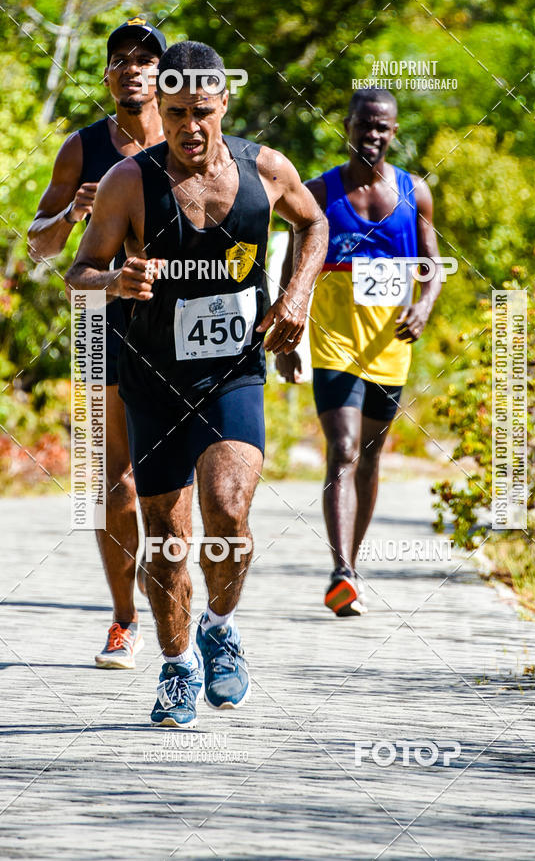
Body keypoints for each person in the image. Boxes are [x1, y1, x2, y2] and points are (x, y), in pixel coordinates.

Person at [66, 41, 327, 726]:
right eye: (176, 112)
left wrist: (297, 296)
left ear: (224, 104)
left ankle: (220, 625)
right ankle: (178, 664)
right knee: (167, 536)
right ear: (161, 107)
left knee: (229, 510)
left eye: (201, 112)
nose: (189, 126)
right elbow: (78, 273)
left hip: (232, 373)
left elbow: (314, 222)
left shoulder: (266, 169)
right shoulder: (129, 181)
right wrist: (115, 280)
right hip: (152, 378)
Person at [27, 18, 167, 669]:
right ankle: (124, 620)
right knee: (115, 482)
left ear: (164, 76)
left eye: (146, 60)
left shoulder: (188, 137)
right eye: (122, 60)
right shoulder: (81, 149)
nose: (133, 69)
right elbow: (40, 246)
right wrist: (72, 213)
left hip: (176, 324)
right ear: (108, 76)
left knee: (177, 477)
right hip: (100, 321)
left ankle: (181, 595)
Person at [277, 88, 442, 617]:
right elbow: (293, 266)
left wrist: (424, 305)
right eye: (364, 124)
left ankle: (353, 565)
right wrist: (286, 338)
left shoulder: (415, 192)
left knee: (369, 457)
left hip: (391, 346)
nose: (372, 134)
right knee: (344, 448)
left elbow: (432, 266)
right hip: (334, 343)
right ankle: (341, 571)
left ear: (394, 132)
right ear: (347, 125)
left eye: (382, 127)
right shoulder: (319, 192)